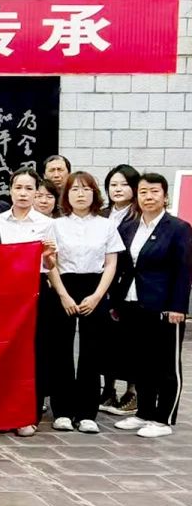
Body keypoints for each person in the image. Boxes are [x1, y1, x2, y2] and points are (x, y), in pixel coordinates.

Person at [111, 173, 192, 439]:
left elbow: (184, 271)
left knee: (166, 365)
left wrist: (178, 307)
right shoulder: (129, 227)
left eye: (154, 191)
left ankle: (164, 418)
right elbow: (122, 266)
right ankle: (144, 412)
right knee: (141, 362)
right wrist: (116, 301)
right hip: (133, 303)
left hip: (164, 307)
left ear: (165, 196)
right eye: (143, 192)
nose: (148, 197)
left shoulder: (178, 228)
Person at [46, 171, 123, 435]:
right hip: (64, 286)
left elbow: (111, 263)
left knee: (92, 350)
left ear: (95, 194)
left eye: (86, 189)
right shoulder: (56, 225)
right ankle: (62, 411)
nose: (81, 194)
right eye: (75, 190)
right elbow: (50, 263)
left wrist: (98, 295)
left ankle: (87, 413)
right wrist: (63, 294)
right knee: (61, 350)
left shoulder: (106, 225)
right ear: (66, 195)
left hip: (95, 287)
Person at [0, 169, 57, 437]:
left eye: (29, 189)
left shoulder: (46, 223)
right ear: (10, 190)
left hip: (35, 290)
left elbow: (51, 265)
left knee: (34, 352)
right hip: (3, 293)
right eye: (18, 187)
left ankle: (28, 414)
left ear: (36, 193)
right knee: (3, 352)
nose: (23, 193)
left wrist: (49, 255)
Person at [100, 163, 141, 415]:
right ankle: (108, 389)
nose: (118, 189)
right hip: (102, 285)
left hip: (128, 286)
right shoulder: (102, 214)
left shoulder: (139, 216)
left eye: (124, 184)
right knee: (107, 341)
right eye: (113, 184)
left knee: (130, 341)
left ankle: (132, 392)